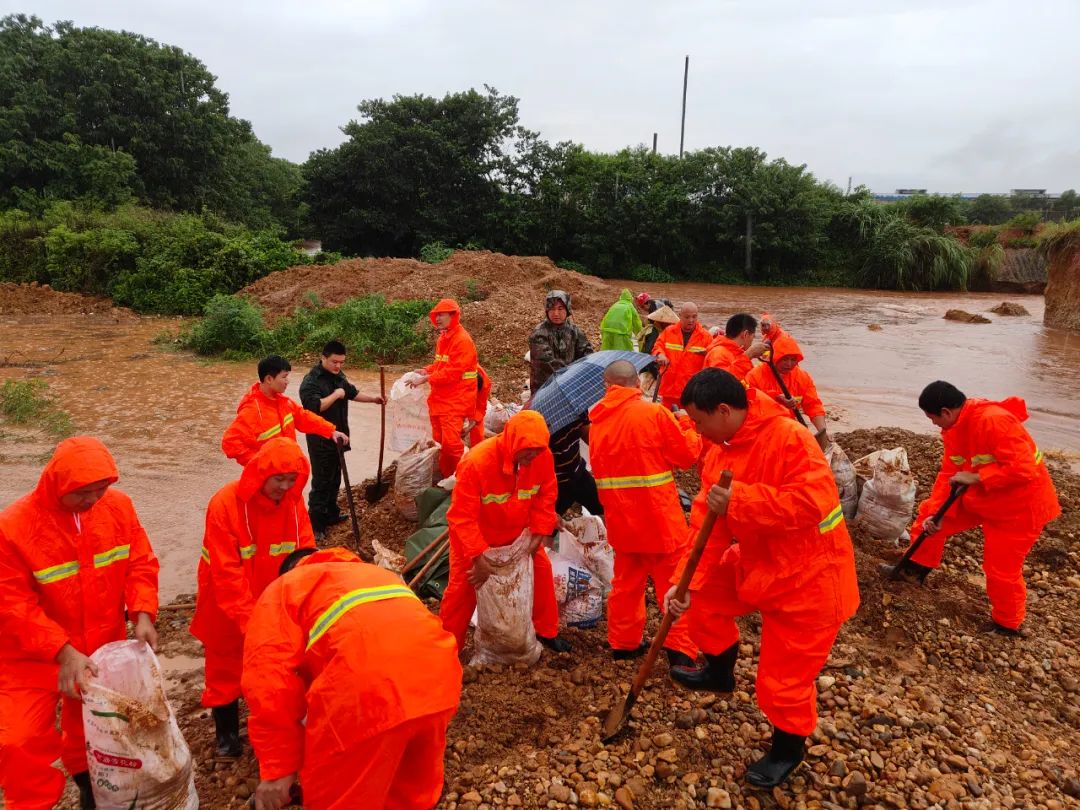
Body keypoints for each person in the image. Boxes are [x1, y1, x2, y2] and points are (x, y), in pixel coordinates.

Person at [665, 369, 859, 788]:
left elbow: (814, 502)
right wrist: (682, 584)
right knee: (701, 599)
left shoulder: (789, 439)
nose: (696, 431)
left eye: (698, 422)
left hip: (812, 577)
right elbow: (707, 525)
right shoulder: (720, 448)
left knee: (781, 682)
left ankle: (787, 752)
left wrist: (741, 499)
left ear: (724, 410)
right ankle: (720, 672)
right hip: (760, 563)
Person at [0, 437, 159, 810]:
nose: (92, 499)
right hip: (30, 655)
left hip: (100, 646)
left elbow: (140, 563)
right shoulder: (13, 526)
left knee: (96, 729)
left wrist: (143, 613)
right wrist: (62, 651)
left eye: (101, 489)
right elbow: (12, 603)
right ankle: (32, 803)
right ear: (57, 484)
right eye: (83, 493)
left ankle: (93, 791)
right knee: (18, 740)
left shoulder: (118, 507)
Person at [242, 546, 462, 810]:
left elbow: (268, 679)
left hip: (369, 695)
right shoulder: (374, 574)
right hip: (439, 682)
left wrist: (279, 768)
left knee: (338, 798)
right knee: (411, 797)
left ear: (290, 571)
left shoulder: (283, 589)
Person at [883, 381, 1061, 635]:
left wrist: (976, 477)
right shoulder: (954, 428)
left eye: (932, 418)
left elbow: (1025, 469)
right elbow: (950, 473)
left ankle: (1007, 625)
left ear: (946, 412)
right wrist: (938, 511)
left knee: (1000, 570)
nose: (933, 424)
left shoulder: (994, 421)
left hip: (1020, 508)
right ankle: (913, 570)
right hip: (984, 497)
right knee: (928, 517)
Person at [191, 438, 316, 759]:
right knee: (224, 669)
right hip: (223, 604)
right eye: (279, 479)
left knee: (281, 665)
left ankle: (275, 724)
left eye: (291, 480)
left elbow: (305, 555)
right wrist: (252, 624)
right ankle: (227, 735)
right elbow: (227, 575)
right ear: (261, 474)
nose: (284, 487)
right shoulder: (225, 505)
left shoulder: (293, 503)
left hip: (273, 602)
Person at [589, 360, 700, 666]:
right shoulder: (653, 413)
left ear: (607, 387)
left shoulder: (598, 423)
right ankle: (680, 650)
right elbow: (687, 455)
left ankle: (623, 645)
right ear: (637, 384)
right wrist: (688, 426)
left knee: (625, 585)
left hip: (622, 522)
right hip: (659, 518)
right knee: (673, 584)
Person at [440, 410, 571, 654]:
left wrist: (539, 534)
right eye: (528, 449)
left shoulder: (542, 458)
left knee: (541, 572)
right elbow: (462, 517)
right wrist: (479, 558)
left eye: (538, 448)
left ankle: (547, 631)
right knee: (461, 591)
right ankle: (448, 648)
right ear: (512, 441)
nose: (533, 454)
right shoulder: (477, 462)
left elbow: (546, 496)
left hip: (518, 536)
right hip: (477, 539)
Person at [298, 340, 384, 538]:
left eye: (341, 362)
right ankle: (316, 525)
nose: (338, 366)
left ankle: (331, 514)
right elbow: (314, 408)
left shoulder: (339, 376)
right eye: (334, 362)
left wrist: (373, 400)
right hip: (320, 440)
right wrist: (336, 395)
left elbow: (351, 392)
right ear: (323, 358)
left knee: (336, 477)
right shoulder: (311, 381)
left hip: (340, 438)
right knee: (321, 481)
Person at [222, 355, 349, 466]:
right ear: (269, 379)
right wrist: (259, 463)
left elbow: (304, 417)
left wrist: (331, 431)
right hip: (268, 481)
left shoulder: (283, 402)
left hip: (288, 472)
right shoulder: (252, 410)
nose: (287, 381)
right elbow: (230, 442)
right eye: (284, 377)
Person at [409, 299, 479, 479]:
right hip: (440, 399)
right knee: (440, 441)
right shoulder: (444, 337)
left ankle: (466, 477)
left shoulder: (462, 340)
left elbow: (452, 373)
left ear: (453, 316)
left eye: (441, 314)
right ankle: (449, 477)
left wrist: (426, 378)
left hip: (456, 400)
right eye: (436, 315)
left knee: (451, 444)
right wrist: (426, 370)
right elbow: (440, 365)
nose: (437, 318)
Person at [744, 334, 827, 437]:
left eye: (793, 360)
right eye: (785, 359)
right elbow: (749, 405)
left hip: (788, 427)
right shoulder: (754, 375)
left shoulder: (802, 377)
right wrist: (777, 398)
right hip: (760, 429)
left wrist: (823, 431)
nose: (789, 364)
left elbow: (813, 404)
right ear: (774, 358)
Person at [528, 290, 593, 394]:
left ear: (567, 309)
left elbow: (587, 354)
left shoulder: (575, 331)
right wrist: (572, 374)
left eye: (560, 308)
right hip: (546, 387)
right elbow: (547, 363)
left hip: (571, 384)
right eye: (552, 309)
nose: (556, 313)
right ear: (547, 311)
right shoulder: (539, 333)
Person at [652, 302, 711, 410]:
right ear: (680, 315)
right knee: (667, 421)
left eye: (694, 316)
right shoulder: (669, 332)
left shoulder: (706, 337)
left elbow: (712, 360)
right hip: (669, 390)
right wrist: (660, 355)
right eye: (687, 317)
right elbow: (657, 347)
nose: (691, 320)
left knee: (688, 423)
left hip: (692, 392)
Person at [550, 416, 604, 517]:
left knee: (603, 506)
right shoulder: (542, 425)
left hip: (578, 472)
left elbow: (586, 432)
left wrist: (603, 453)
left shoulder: (576, 412)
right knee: (549, 525)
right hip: (558, 483)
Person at [704, 313, 767, 382]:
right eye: (753, 336)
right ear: (745, 334)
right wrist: (748, 355)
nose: (752, 340)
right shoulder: (718, 353)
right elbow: (721, 382)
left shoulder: (737, 352)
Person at [464, 364, 492, 448]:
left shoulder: (485, 385)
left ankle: (477, 448)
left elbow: (480, 408)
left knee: (476, 426)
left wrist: (472, 424)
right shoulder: (454, 370)